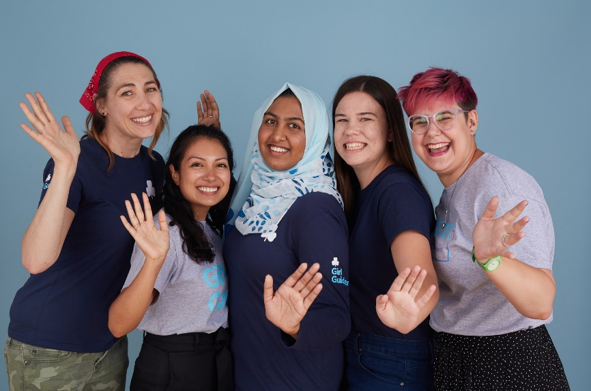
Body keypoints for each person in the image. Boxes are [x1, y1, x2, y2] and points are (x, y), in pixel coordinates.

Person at [397, 67, 570, 390]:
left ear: (472, 121)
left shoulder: (501, 187)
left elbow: (541, 300)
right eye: (419, 122)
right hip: (457, 358)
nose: (431, 133)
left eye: (445, 117)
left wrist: (491, 260)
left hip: (508, 363)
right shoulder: (453, 190)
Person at [4, 51, 168, 391]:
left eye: (150, 89)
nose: (144, 102)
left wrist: (208, 141)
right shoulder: (79, 161)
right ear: (102, 106)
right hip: (50, 347)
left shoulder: (153, 165)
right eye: (127, 92)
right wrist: (64, 168)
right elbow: (36, 259)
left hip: (108, 344)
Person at [224, 83, 350, 390]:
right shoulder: (256, 198)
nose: (277, 135)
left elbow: (337, 319)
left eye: (295, 126)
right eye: (270, 121)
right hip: (251, 375)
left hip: (297, 380)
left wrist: (295, 326)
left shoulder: (316, 209)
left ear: (317, 136)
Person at [331, 75, 439, 390]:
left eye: (366, 119)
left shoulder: (396, 192)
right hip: (368, 351)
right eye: (342, 120)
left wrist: (409, 312)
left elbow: (422, 278)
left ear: (391, 131)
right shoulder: (360, 190)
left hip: (390, 356)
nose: (351, 130)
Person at [108, 124, 234, 391]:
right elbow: (119, 324)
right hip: (174, 369)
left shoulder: (210, 229)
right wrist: (154, 261)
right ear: (175, 174)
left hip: (214, 361)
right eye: (197, 165)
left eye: (220, 165)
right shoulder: (165, 232)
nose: (211, 176)